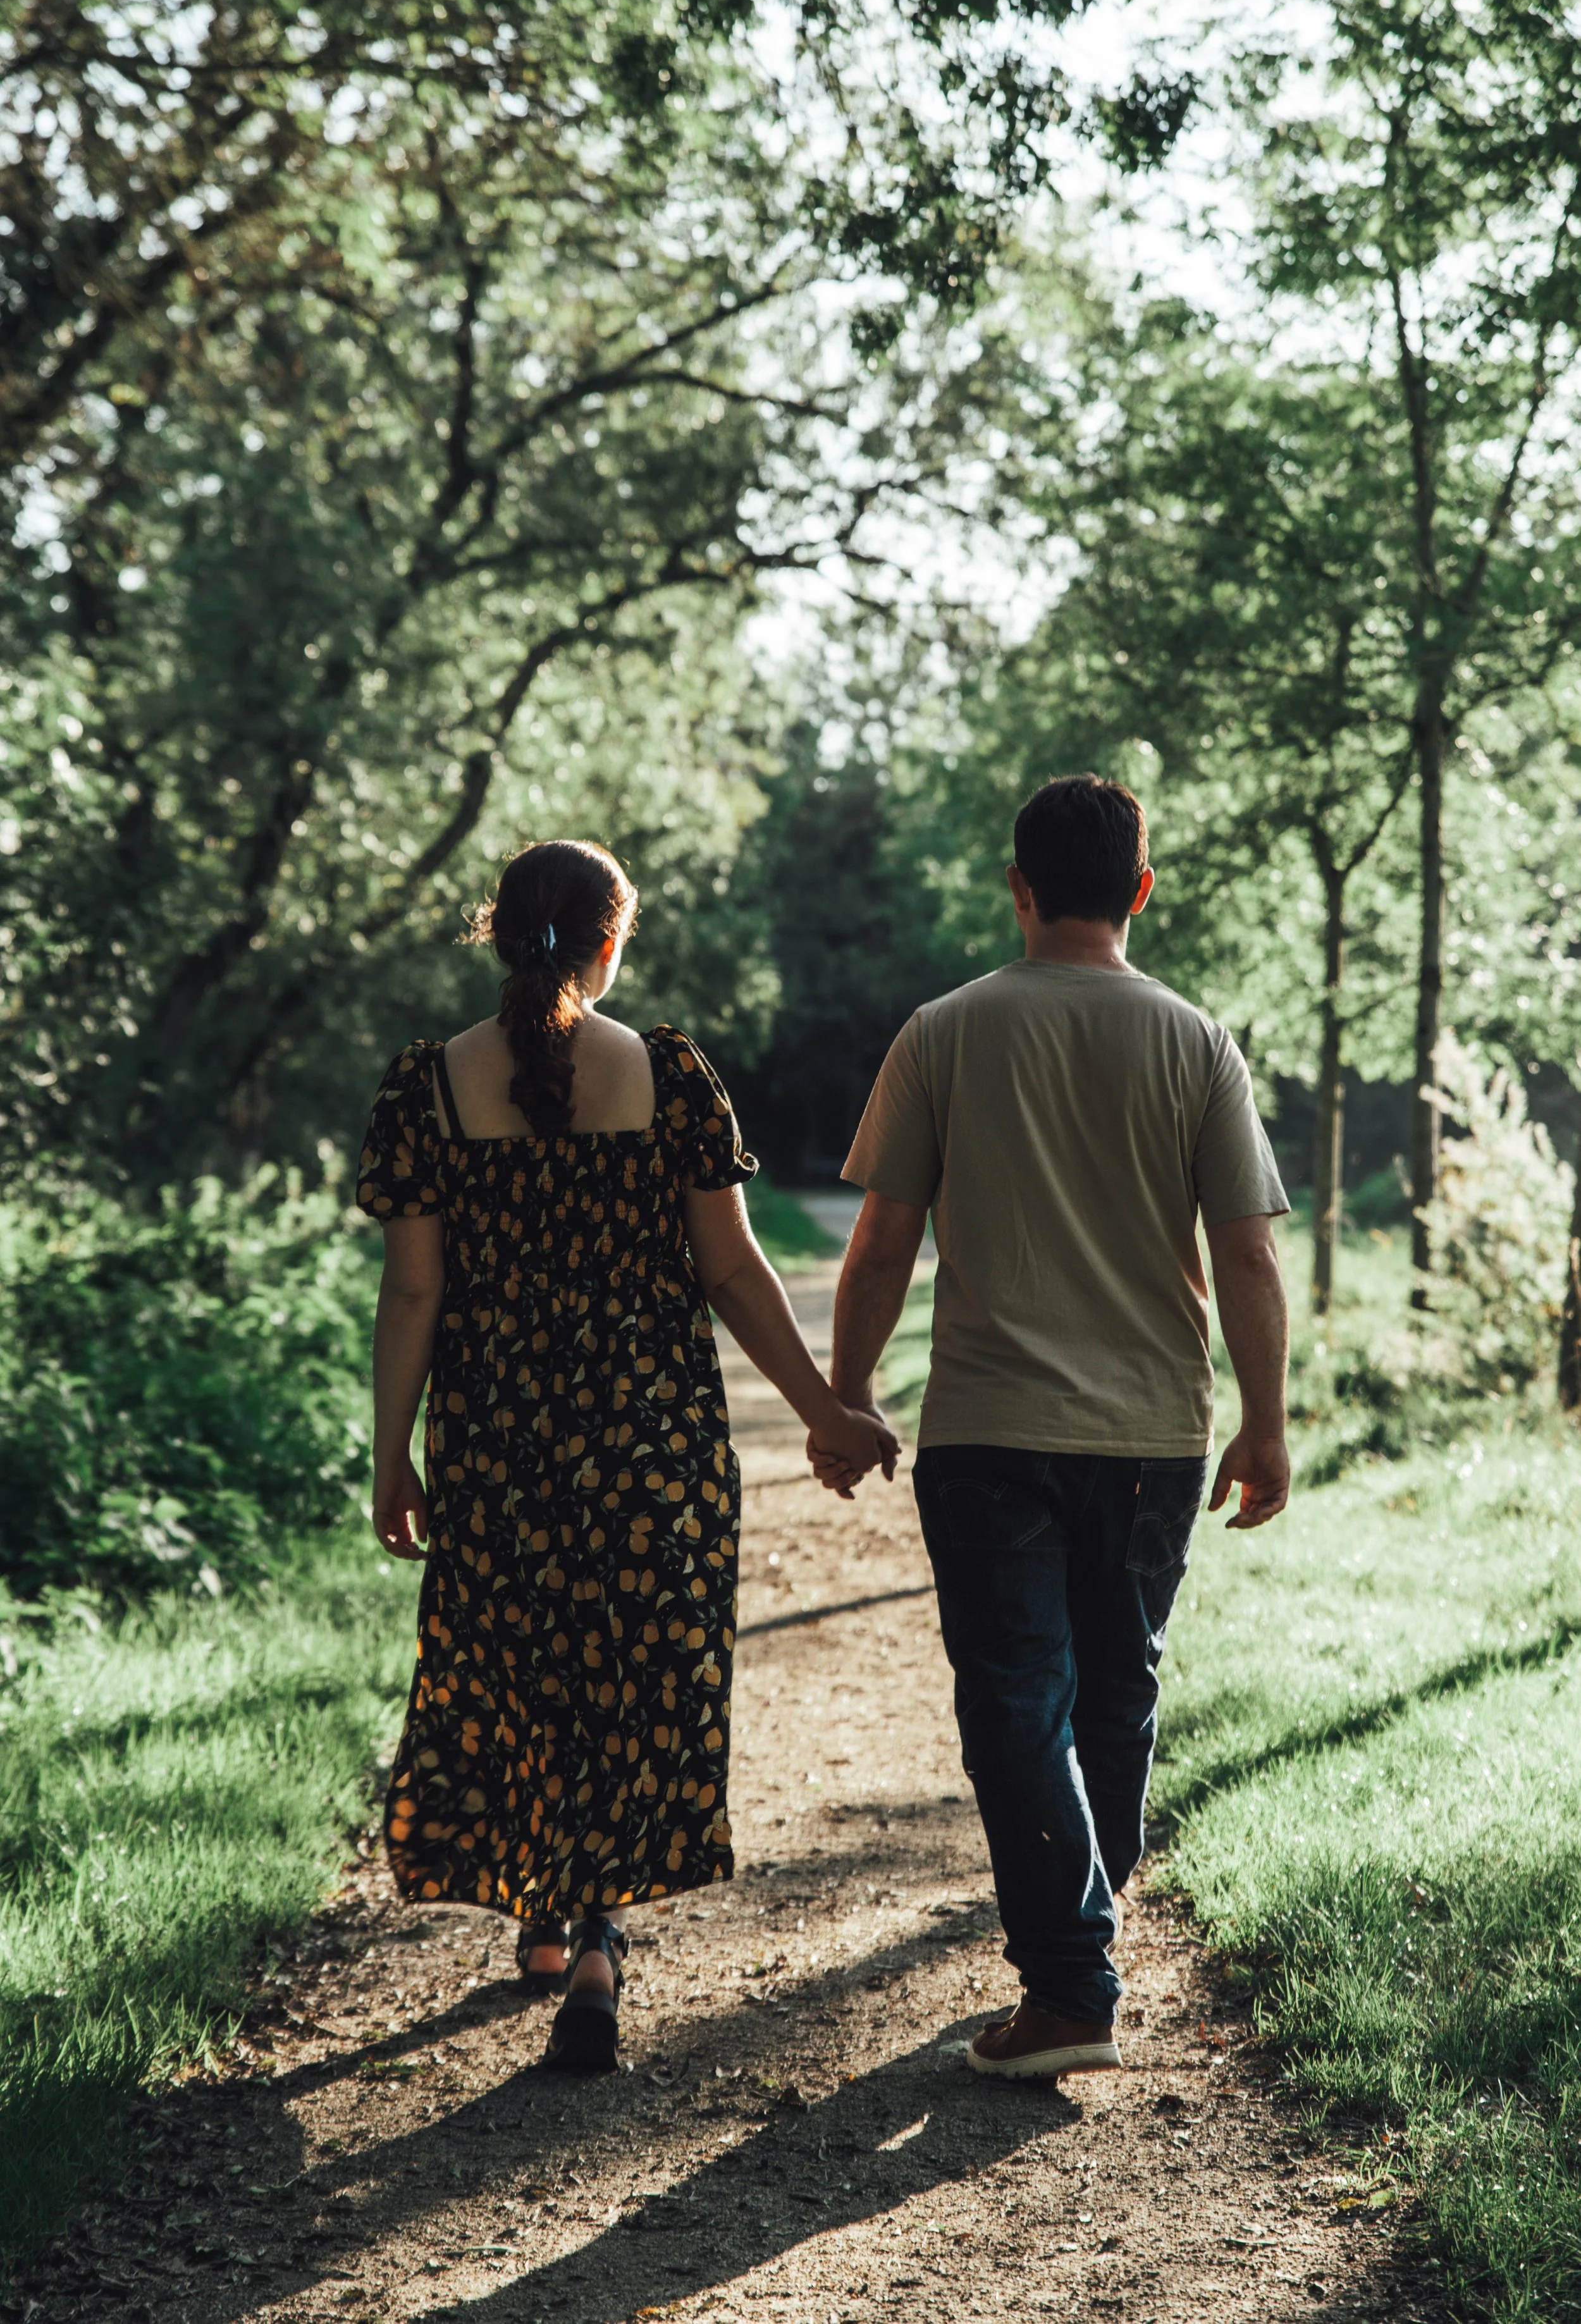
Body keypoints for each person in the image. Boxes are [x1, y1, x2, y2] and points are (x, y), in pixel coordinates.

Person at [358, 839, 892, 2073]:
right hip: (649, 1445)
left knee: (527, 1662)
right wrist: (821, 1409)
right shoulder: (668, 1075)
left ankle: (542, 1916)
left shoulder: (426, 1087)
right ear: (609, 944)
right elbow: (729, 1272)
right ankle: (595, 1938)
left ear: (499, 939)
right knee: (626, 1671)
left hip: (500, 1444)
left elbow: (413, 1292)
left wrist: (393, 1458)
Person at [815, 774, 1290, 2080]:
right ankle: (1080, 1937)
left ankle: (1071, 1974)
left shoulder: (943, 1032)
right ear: (1140, 890)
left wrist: (849, 1397)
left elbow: (879, 1246)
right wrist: (1265, 1423)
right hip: (1151, 1433)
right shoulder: (1195, 1040)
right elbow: (1245, 1258)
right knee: (1115, 1683)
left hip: (987, 1428)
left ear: (1015, 890)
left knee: (1018, 1696)